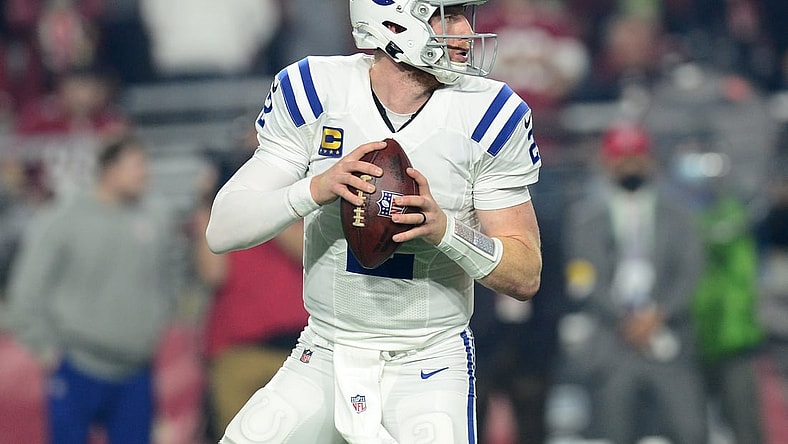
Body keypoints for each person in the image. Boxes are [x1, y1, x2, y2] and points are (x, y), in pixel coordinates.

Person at [205, 1, 543, 442]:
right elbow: (222, 229)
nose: (464, 29)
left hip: (429, 360)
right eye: (447, 15)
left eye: (464, 13)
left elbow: (526, 274)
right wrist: (316, 189)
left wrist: (446, 231)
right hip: (326, 348)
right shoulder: (317, 90)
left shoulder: (489, 113)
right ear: (393, 21)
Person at [6, 135, 177, 444]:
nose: (145, 174)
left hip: (135, 367)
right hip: (77, 363)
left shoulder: (156, 218)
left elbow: (169, 280)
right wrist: (45, 350)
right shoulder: (63, 217)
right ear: (109, 169)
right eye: (137, 165)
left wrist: (153, 325)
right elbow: (27, 289)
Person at [563, 122, 707, 444]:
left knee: (691, 431)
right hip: (613, 342)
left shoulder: (681, 216)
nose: (629, 164)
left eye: (636, 156)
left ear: (651, 160)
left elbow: (691, 272)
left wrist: (658, 315)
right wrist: (626, 320)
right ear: (606, 162)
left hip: (670, 338)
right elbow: (582, 278)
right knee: (616, 431)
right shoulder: (584, 219)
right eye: (621, 157)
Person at [191, 122, 308, 441]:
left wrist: (265, 202)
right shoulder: (218, 211)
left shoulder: (301, 193)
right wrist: (209, 203)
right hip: (238, 349)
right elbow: (212, 273)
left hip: (297, 352)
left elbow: (304, 252)